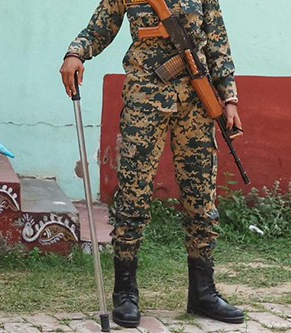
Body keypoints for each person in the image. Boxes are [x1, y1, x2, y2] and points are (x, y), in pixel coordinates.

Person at [59, 0, 244, 328]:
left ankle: (203, 291)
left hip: (196, 104)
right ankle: (125, 293)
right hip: (145, 102)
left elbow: (217, 40)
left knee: (201, 198)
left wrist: (228, 99)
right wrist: (75, 53)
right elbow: (98, 28)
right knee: (132, 195)